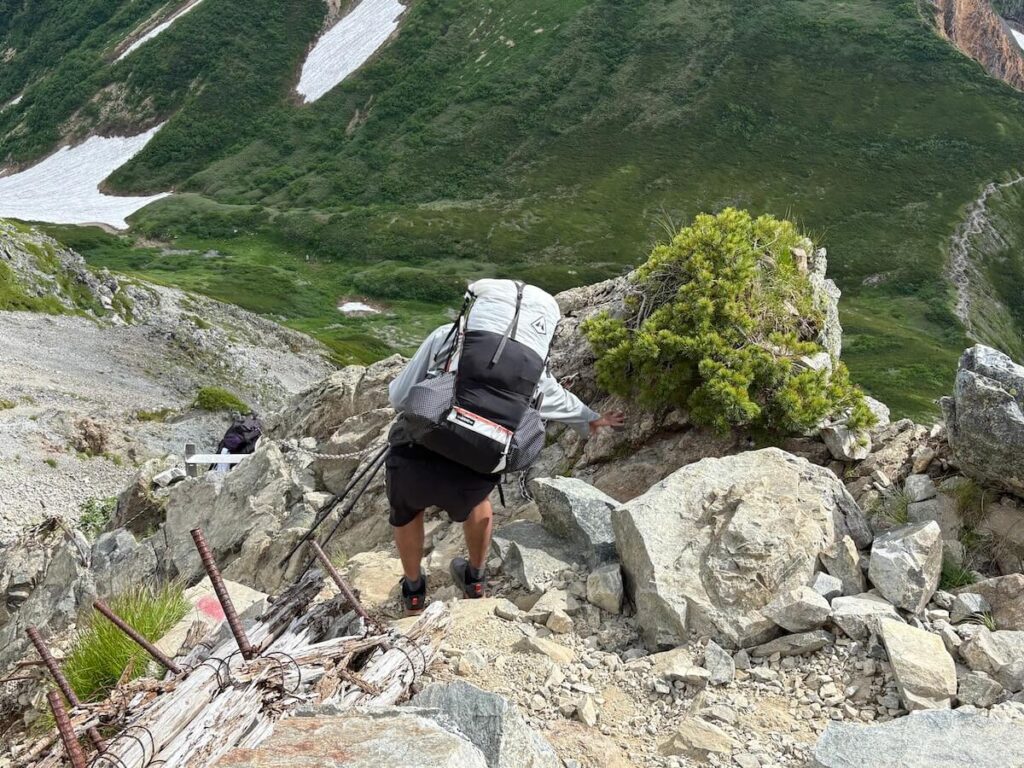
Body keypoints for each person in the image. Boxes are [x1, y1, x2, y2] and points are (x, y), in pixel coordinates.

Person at [386, 308, 624, 614]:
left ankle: (414, 593)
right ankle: (475, 580)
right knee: (477, 500)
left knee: (406, 510)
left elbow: (399, 397)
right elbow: (555, 398)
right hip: (478, 457)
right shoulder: (528, 363)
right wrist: (592, 419)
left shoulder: (447, 337)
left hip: (418, 448)